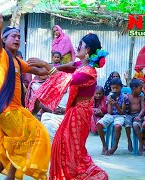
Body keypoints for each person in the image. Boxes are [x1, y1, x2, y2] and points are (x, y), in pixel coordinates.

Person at [29, 33, 108, 179]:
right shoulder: (79, 66)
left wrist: (45, 64)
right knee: (62, 146)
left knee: (74, 151)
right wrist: (33, 67)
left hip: (80, 116)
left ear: (87, 50)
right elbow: (59, 69)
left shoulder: (89, 73)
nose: (77, 47)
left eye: (80, 44)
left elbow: (66, 79)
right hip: (73, 112)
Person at [0, 12, 51, 180]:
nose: (17, 39)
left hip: (17, 110)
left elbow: (40, 71)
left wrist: (53, 66)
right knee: (36, 135)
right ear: (4, 39)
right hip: (6, 110)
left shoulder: (17, 61)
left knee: (13, 147)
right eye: (13, 36)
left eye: (19, 37)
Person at [97, 78, 130, 155]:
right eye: (113, 88)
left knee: (117, 126)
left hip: (120, 116)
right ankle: (104, 145)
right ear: (111, 88)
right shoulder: (109, 96)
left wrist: (116, 105)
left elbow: (122, 112)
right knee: (99, 124)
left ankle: (115, 146)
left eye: (117, 88)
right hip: (110, 115)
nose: (115, 90)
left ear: (121, 87)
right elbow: (109, 112)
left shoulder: (124, 97)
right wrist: (111, 104)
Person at [128, 79, 145, 155]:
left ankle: (141, 143)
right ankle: (129, 141)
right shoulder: (128, 97)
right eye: (140, 88)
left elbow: (143, 109)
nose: (141, 90)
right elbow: (125, 109)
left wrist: (139, 116)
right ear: (134, 89)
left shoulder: (141, 97)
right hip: (129, 115)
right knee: (127, 124)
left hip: (138, 115)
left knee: (135, 125)